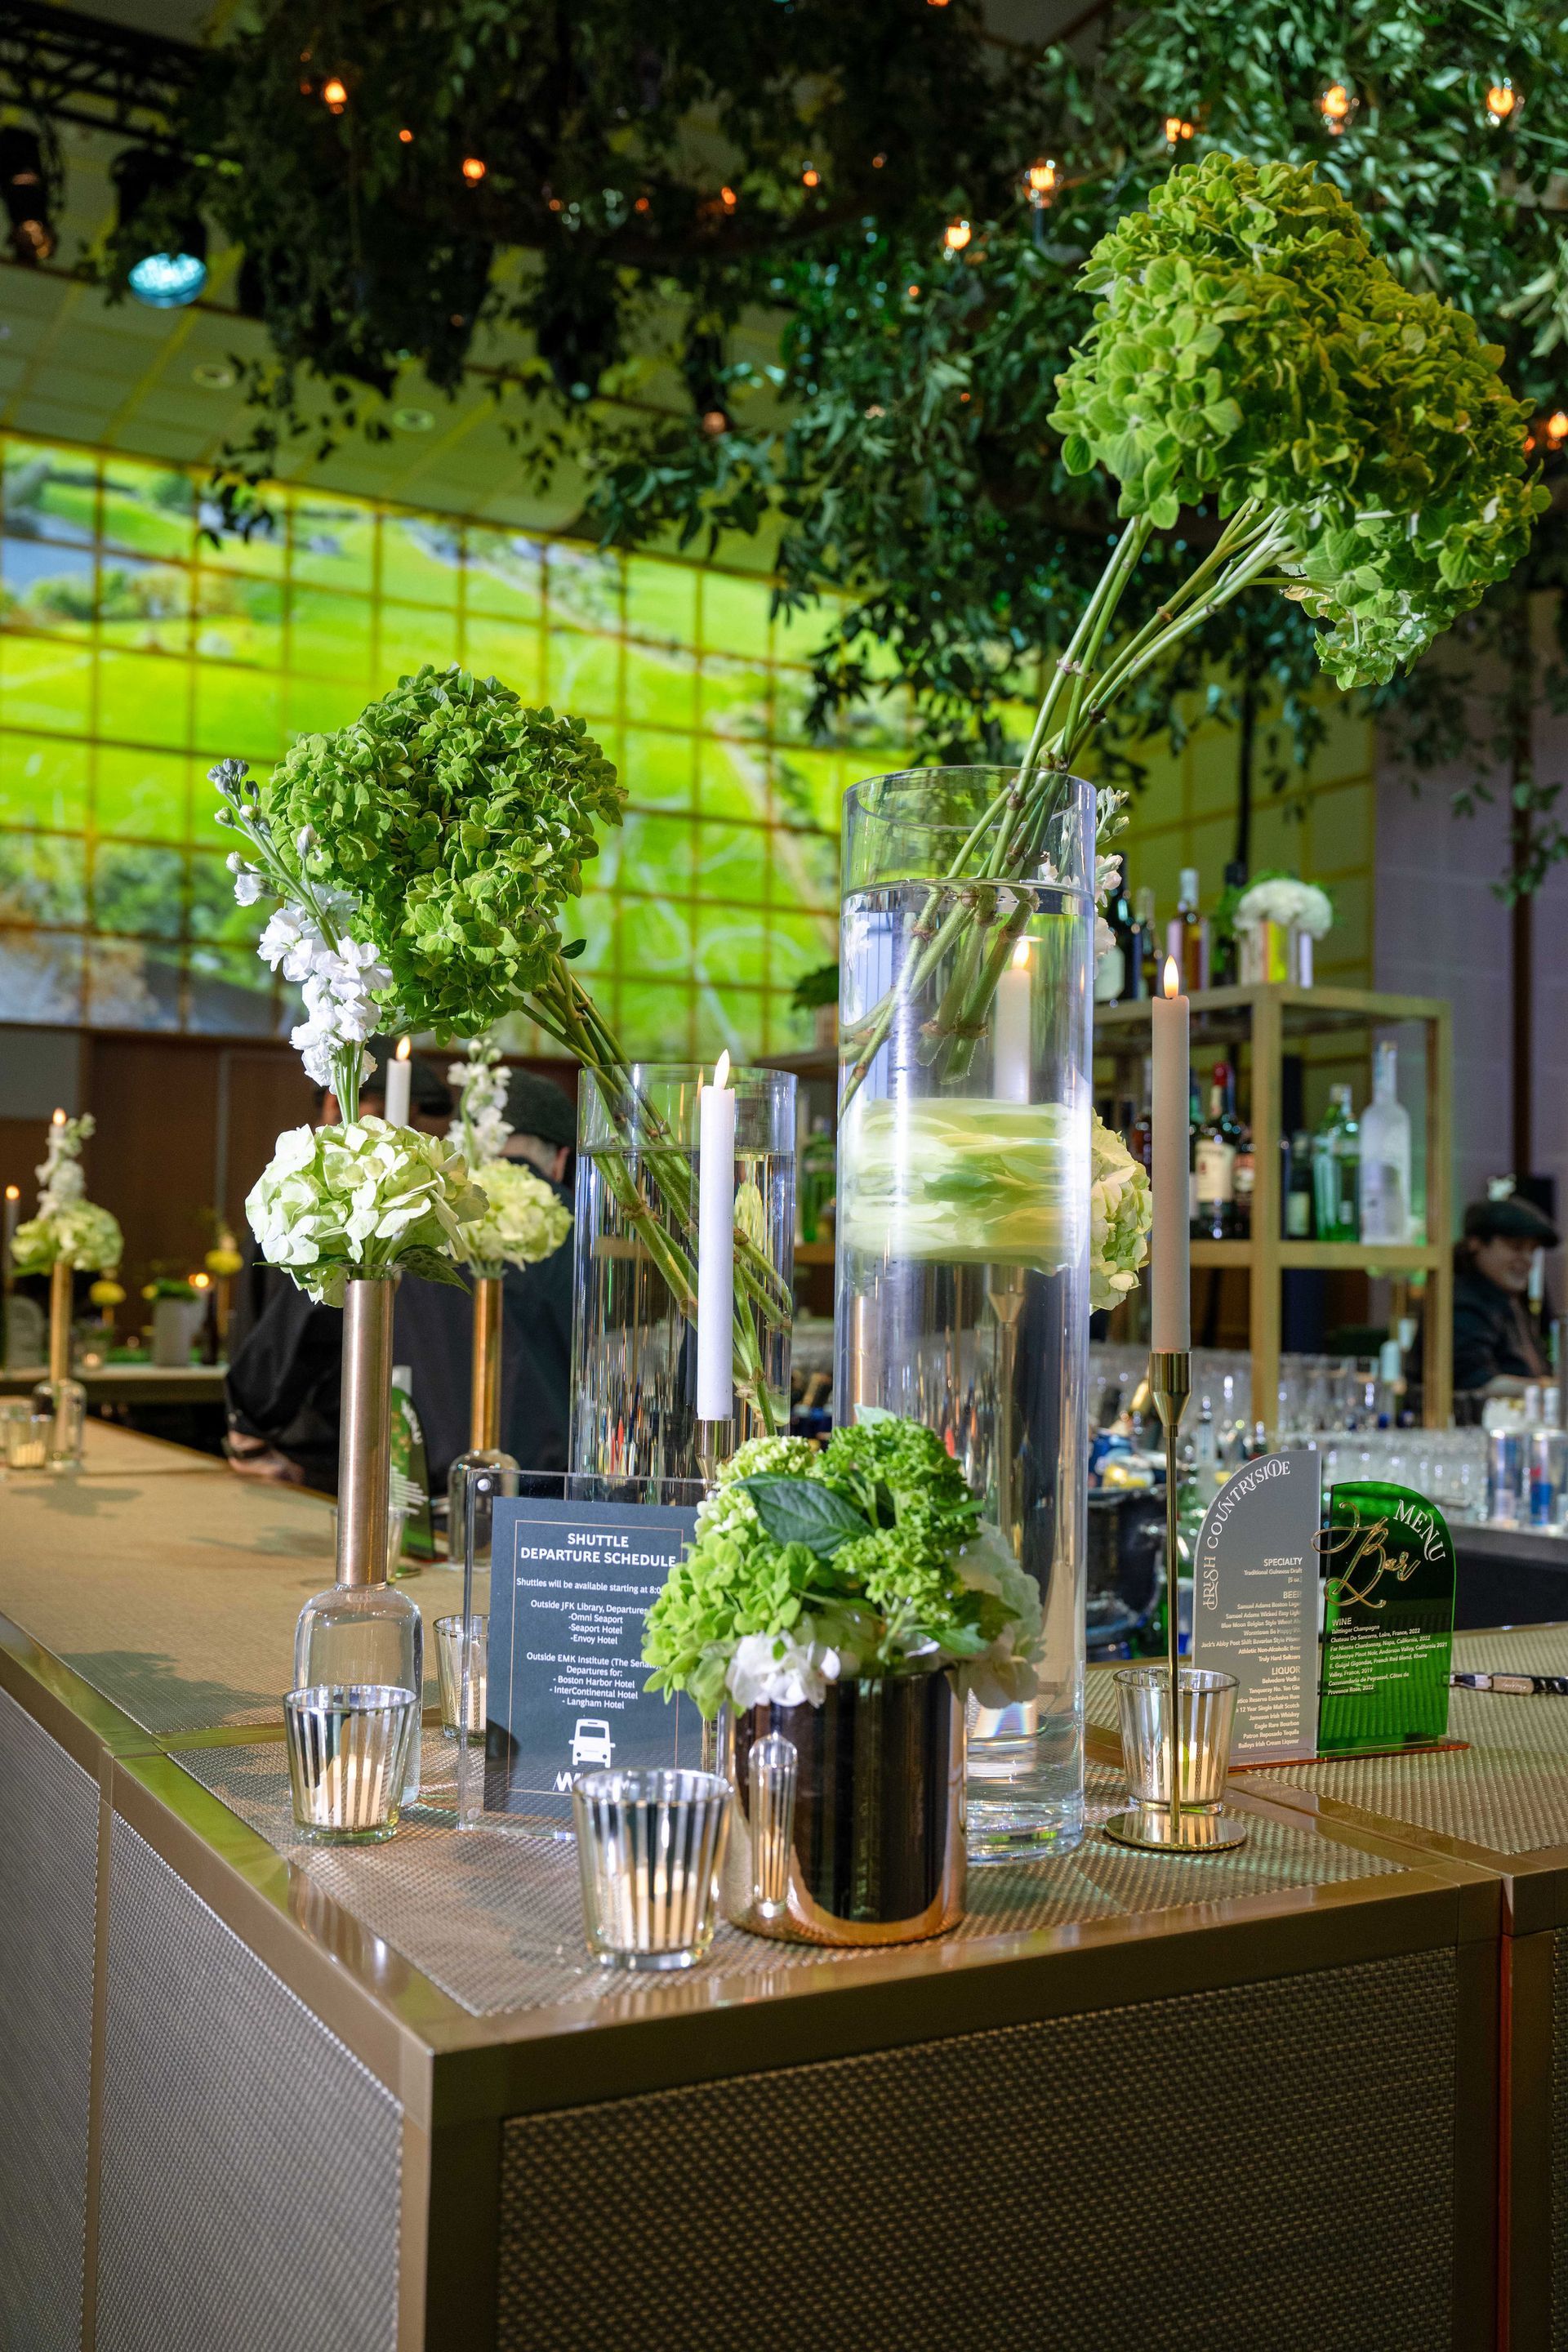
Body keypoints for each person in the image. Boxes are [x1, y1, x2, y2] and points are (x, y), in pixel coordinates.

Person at [225, 1054, 578, 1493]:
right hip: (557, 1498)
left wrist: (249, 1429)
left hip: (416, 1494)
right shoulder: (588, 1231)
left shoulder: (417, 1211)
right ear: (561, 1158)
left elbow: (308, 1317)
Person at [1452, 1195, 1558, 1397]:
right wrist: (1554, 1391)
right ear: (1475, 1244)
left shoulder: (1509, 1300)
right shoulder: (1464, 1302)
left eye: (1532, 1250)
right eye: (1516, 1247)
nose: (1527, 1261)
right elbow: (1476, 1382)